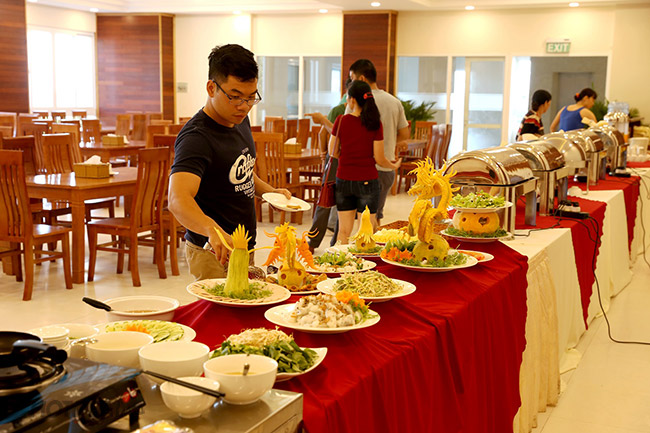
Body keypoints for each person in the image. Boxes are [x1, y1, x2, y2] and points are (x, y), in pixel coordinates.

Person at [168, 44, 291, 280]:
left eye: (251, 97)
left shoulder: (239, 120)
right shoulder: (196, 137)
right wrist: (211, 229)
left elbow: (242, 172)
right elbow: (177, 199)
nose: (244, 106)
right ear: (211, 87)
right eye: (235, 97)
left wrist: (269, 192)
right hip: (213, 251)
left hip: (243, 245)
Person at [330, 80, 401, 244]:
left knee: (343, 232)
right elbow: (379, 158)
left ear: (352, 100)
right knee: (366, 233)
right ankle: (362, 260)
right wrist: (393, 165)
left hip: (344, 180)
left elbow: (333, 152)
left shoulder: (341, 121)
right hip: (367, 181)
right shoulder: (375, 124)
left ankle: (342, 260)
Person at [348, 59, 410, 225]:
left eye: (352, 79)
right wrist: (389, 142)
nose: (351, 83)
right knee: (375, 216)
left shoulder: (355, 100)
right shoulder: (394, 102)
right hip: (385, 168)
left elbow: (347, 130)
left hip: (360, 168)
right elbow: (404, 133)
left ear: (361, 79)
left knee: (354, 219)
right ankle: (374, 241)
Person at [305, 78, 351, 252]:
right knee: (328, 201)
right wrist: (323, 152)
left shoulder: (355, 112)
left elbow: (325, 132)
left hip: (345, 161)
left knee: (340, 203)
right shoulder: (339, 110)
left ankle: (333, 242)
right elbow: (324, 132)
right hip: (338, 159)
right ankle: (315, 241)